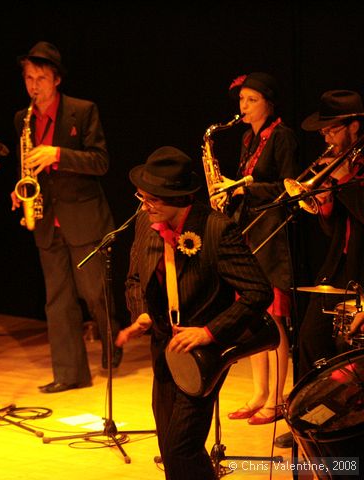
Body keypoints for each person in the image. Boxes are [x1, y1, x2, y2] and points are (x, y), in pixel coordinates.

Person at [116, 146, 273, 480]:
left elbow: (258, 292)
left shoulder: (217, 229)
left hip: (204, 352)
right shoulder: (146, 222)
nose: (145, 204)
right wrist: (142, 313)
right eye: (142, 196)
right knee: (171, 448)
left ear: (178, 198)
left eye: (152, 198)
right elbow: (133, 277)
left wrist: (209, 332)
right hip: (163, 348)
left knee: (181, 446)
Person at [10, 41, 120, 394]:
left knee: (94, 294)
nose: (33, 86)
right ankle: (70, 373)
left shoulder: (82, 111)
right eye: (29, 78)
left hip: (84, 217)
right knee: (56, 300)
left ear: (56, 79)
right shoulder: (22, 119)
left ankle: (111, 341)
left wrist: (58, 154)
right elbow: (27, 164)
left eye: (40, 78)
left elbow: (100, 161)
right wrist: (19, 189)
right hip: (46, 220)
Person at [274, 89, 364, 449]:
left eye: (331, 129)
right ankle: (308, 421)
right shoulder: (341, 163)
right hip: (339, 264)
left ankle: (344, 429)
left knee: (349, 354)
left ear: (354, 126)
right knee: (309, 340)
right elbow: (335, 226)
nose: (325, 138)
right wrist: (324, 202)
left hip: (361, 266)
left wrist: (340, 185)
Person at [213, 72, 298, 425]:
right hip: (248, 230)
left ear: (268, 103)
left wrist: (245, 189)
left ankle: (278, 399)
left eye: (250, 100)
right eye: (241, 100)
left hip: (273, 235)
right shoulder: (249, 137)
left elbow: (288, 186)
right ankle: (259, 393)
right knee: (251, 315)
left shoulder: (283, 136)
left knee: (275, 317)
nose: (243, 106)